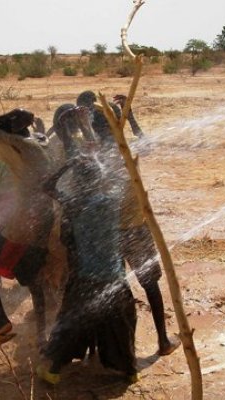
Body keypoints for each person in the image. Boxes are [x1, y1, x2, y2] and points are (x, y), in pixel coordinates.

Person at [77, 90, 178, 356]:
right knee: (150, 285)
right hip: (135, 228)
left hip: (107, 232)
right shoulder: (126, 147)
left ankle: (100, 348)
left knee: (112, 287)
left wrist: (85, 128)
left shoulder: (92, 150)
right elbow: (148, 144)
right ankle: (163, 341)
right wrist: (131, 119)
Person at [39, 154, 138, 385]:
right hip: (115, 277)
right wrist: (103, 163)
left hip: (86, 277)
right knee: (121, 324)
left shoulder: (73, 203)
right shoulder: (112, 200)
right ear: (99, 178)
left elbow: (47, 186)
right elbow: (124, 180)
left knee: (70, 323)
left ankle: (53, 371)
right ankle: (130, 371)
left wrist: (68, 163)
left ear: (77, 182)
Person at [0, 109, 54, 349]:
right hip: (45, 215)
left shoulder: (19, 145)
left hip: (24, 219)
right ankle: (42, 336)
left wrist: (12, 113)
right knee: (35, 277)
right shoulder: (40, 141)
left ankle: (1, 320)